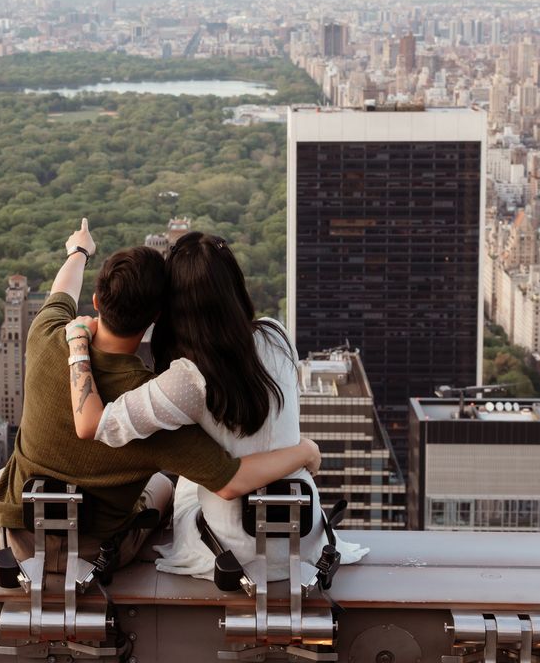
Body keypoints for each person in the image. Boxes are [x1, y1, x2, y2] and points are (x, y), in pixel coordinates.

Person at [0, 219, 321, 573]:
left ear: (97, 300)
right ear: (158, 315)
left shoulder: (47, 333)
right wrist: (305, 450)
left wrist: (79, 252)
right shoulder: (159, 400)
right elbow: (229, 479)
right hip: (92, 550)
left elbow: (63, 289)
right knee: (161, 484)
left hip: (16, 536)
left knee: (1, 477)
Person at [62, 230, 367, 581]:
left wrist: (77, 342)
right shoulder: (276, 335)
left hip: (230, 553)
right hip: (304, 539)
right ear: (234, 285)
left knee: (183, 483)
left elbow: (93, 424)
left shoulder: (187, 378)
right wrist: (304, 450)